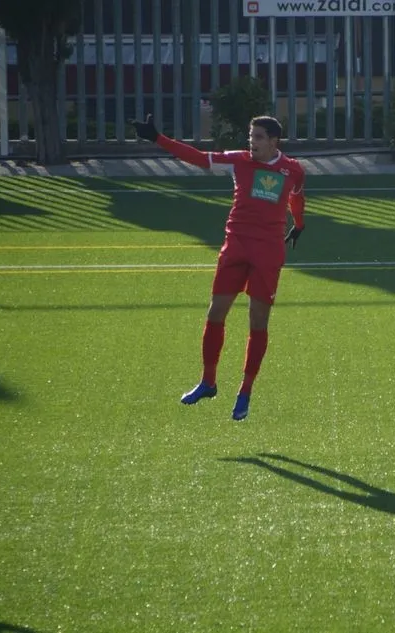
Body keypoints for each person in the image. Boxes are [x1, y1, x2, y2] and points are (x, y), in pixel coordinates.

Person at [131, 113, 306, 421]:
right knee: (215, 312)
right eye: (251, 136)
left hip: (267, 253)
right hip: (236, 246)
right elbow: (198, 158)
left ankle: (245, 391)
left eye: (259, 137)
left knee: (257, 321)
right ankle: (208, 382)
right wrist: (158, 139)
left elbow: (296, 198)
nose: (252, 142)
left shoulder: (292, 170)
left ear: (274, 141)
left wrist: (299, 225)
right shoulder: (238, 162)